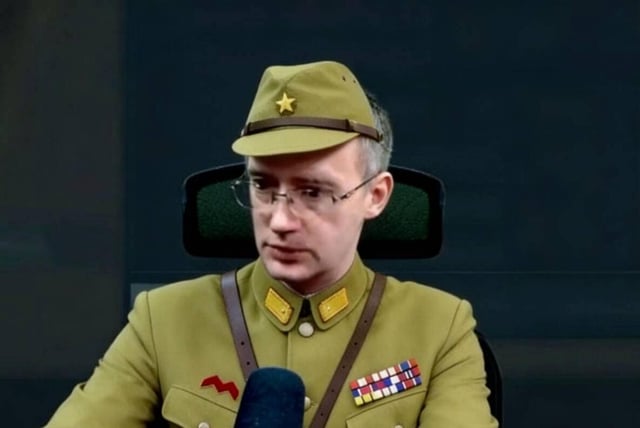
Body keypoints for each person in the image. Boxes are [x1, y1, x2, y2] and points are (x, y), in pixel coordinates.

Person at [46, 61, 498, 427]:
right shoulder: (164, 322)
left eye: (313, 192)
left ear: (375, 196)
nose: (279, 221)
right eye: (262, 186)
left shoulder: (438, 329)